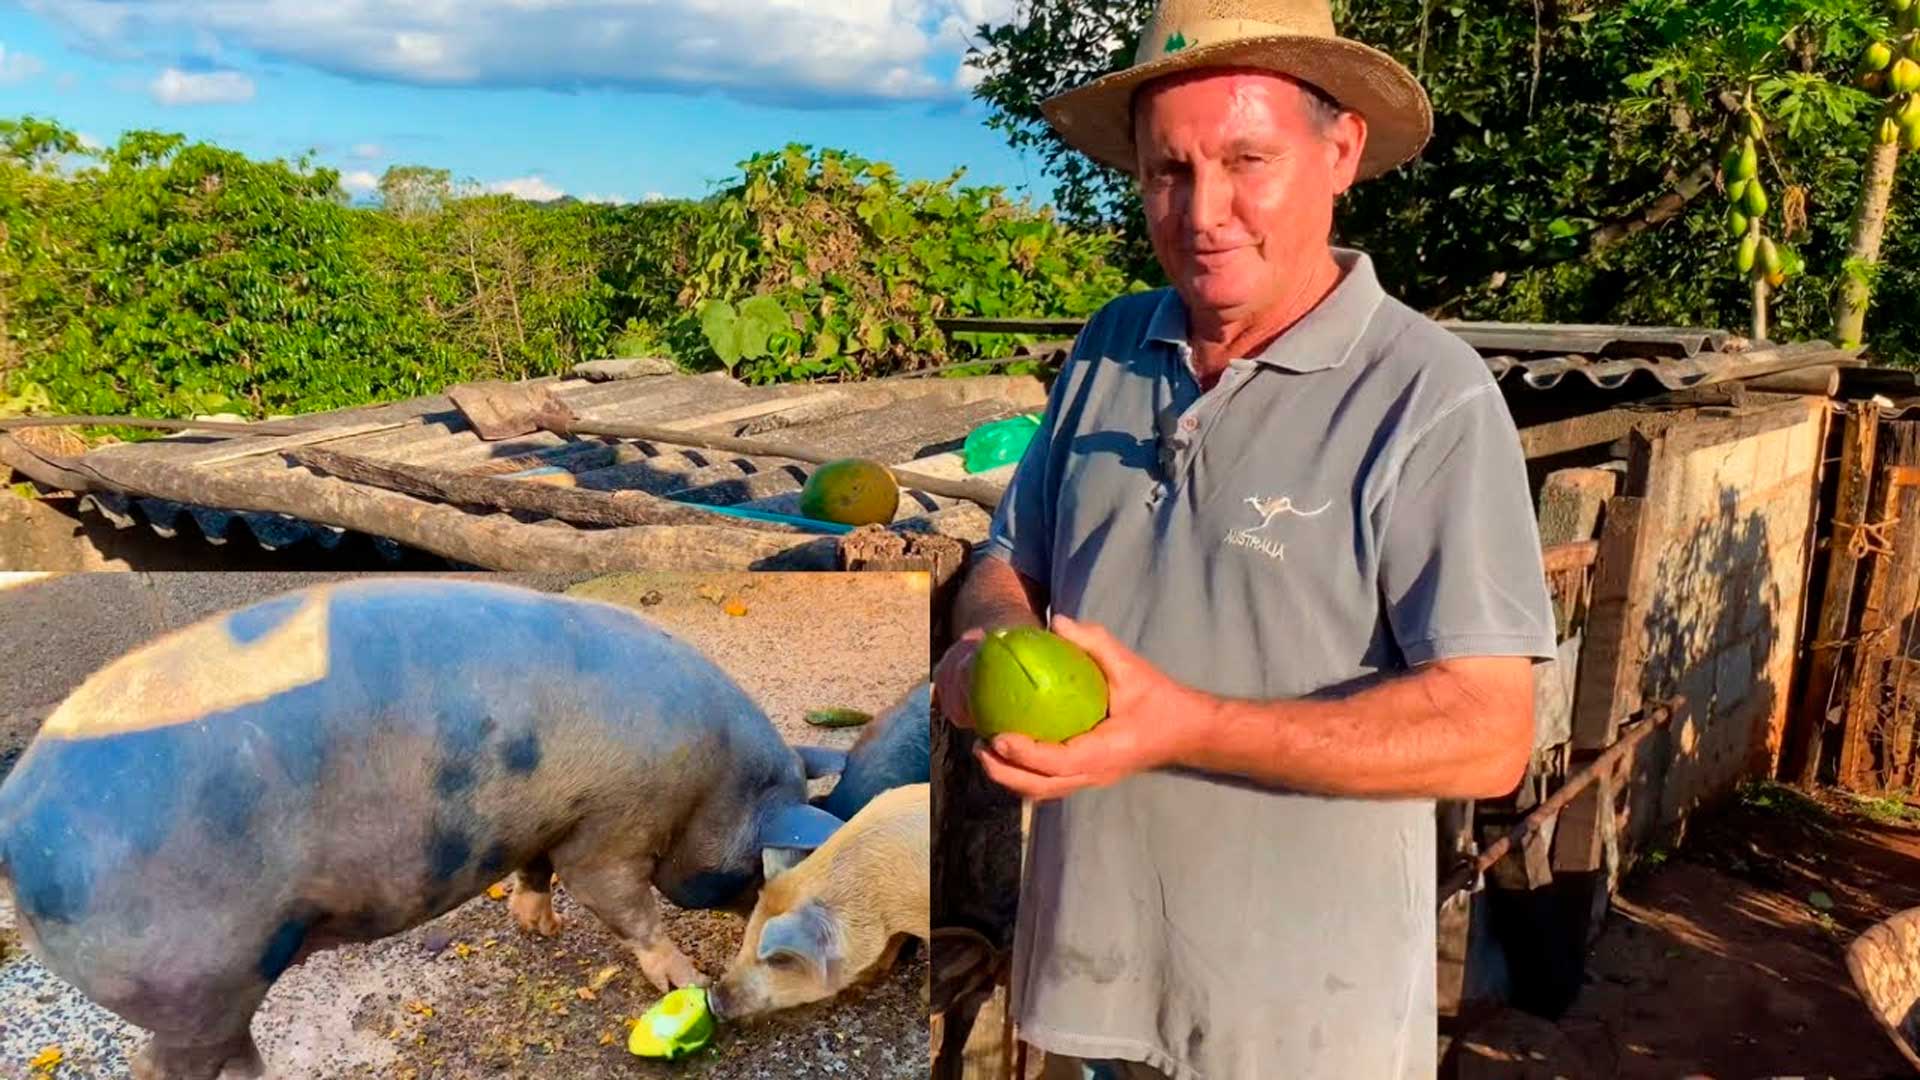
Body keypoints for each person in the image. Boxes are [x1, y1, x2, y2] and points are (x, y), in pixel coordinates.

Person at [931, 0, 1559, 1077]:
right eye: (1168, 171)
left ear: (1341, 151)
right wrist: (983, 647)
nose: (1203, 211)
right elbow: (1010, 558)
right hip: (1090, 993)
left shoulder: (1428, 398)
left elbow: (1488, 733)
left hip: (1302, 1024)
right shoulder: (1110, 348)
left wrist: (1183, 726)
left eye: (1247, 160)